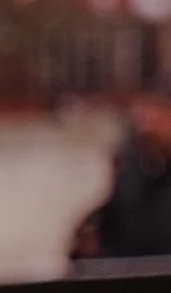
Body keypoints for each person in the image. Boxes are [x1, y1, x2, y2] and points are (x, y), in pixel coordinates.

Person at [70, 92, 171, 265]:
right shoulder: (127, 173)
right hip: (133, 278)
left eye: (157, 121)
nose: (147, 128)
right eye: (143, 122)